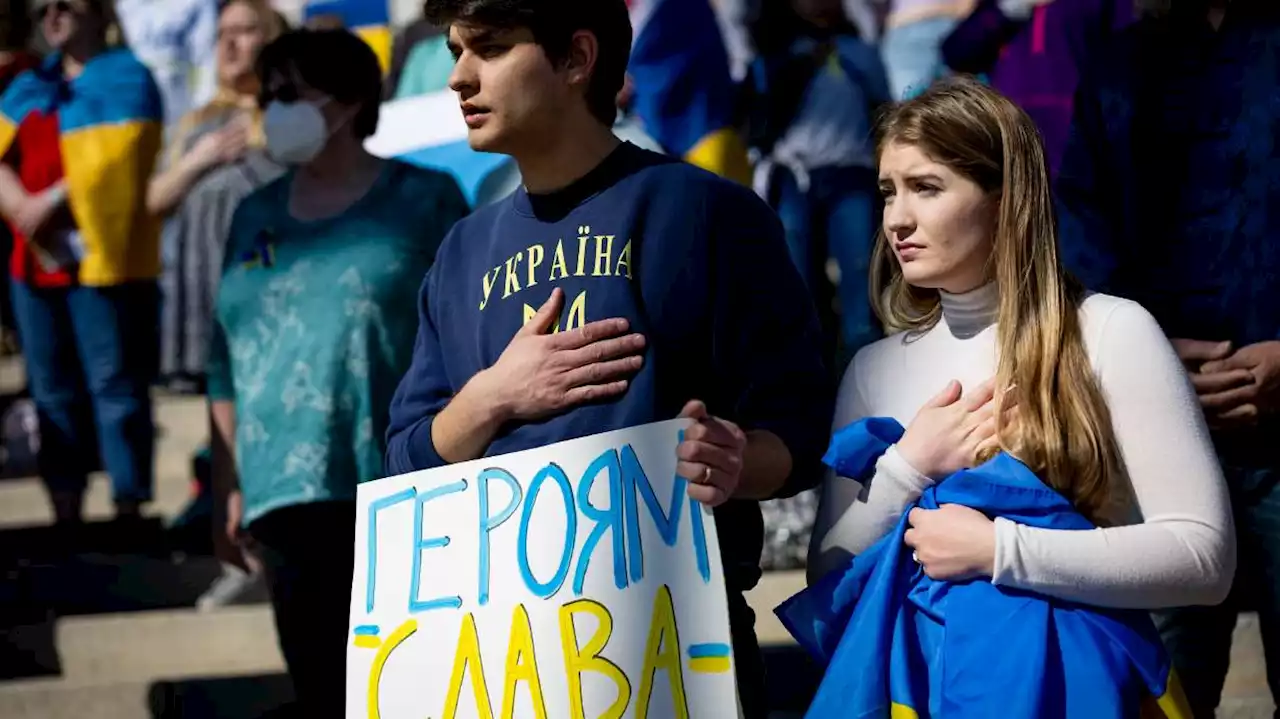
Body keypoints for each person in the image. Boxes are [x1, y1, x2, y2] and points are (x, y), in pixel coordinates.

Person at [385, 2, 831, 716]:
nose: (459, 78)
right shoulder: (460, 252)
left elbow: (803, 431)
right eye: (455, 52)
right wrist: (494, 395)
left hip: (677, 663)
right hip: (498, 673)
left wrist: (736, 459)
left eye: (490, 49)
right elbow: (405, 466)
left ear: (575, 59)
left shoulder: (708, 213)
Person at [808, 78, 1233, 635]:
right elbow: (826, 582)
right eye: (889, 191)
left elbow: (1204, 558)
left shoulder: (1109, 330)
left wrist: (999, 550)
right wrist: (905, 469)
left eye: (927, 188)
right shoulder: (872, 369)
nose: (896, 220)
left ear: (1005, 201)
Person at [206, 28, 468, 713]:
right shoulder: (253, 214)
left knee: (407, 690)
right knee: (321, 685)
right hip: (282, 492)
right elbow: (223, 356)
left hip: (398, 481)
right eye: (269, 96)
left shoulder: (424, 199)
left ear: (350, 101)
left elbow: (472, 331)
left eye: (290, 94)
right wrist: (226, 484)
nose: (273, 109)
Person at [1055, 0, 1280, 713]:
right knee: (1158, 691)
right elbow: (1078, 238)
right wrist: (1141, 354)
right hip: (1156, 446)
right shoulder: (1120, 67)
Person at [0, 0, 163, 523]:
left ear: (97, 12)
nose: (51, 15)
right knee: (50, 389)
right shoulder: (28, 83)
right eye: (42, 7)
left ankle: (128, 506)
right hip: (33, 261)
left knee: (113, 384)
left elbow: (125, 162)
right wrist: (21, 206)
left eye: (64, 4)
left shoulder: (128, 76)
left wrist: (47, 201)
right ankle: (65, 510)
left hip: (103, 258)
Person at [743, 0, 890, 365]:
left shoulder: (861, 52)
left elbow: (886, 110)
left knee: (861, 274)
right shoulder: (770, 57)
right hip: (794, 179)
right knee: (799, 286)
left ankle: (864, 375)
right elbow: (756, 117)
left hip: (852, 175)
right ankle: (809, 380)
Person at [152, 0, 285, 391]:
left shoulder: (293, 116)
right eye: (221, 35)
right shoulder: (196, 123)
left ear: (271, 41)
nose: (228, 44)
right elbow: (153, 200)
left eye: (243, 31)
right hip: (199, 299)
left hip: (268, 296)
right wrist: (199, 160)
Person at [941, 0, 1133, 177]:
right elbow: (956, 52)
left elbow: (1126, 49)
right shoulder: (998, 5)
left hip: (1075, 134)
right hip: (1009, 131)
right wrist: (1009, 9)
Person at [115, 0, 219, 127]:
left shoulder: (198, 4)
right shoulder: (125, 6)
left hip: (181, 112)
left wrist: (202, 117)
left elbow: (205, 62)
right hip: (132, 116)